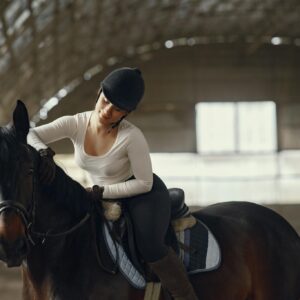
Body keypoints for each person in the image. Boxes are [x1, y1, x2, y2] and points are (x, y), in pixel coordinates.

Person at [27, 67, 198, 300]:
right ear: (98, 94)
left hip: (141, 194)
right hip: (97, 194)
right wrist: (43, 152)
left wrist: (102, 191)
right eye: (105, 101)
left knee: (150, 246)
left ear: (125, 114)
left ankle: (185, 295)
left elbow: (144, 182)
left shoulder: (132, 137)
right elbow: (29, 134)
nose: (107, 111)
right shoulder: (76, 123)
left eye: (117, 109)